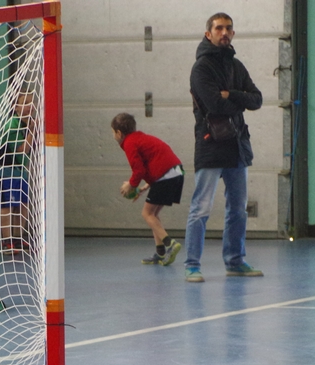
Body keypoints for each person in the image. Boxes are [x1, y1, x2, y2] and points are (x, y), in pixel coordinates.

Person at [182, 12, 263, 283]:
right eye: (218, 28)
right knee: (201, 208)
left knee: (238, 209)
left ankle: (235, 261)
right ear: (209, 34)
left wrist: (232, 95)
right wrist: (238, 100)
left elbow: (257, 99)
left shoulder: (236, 66)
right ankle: (192, 265)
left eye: (228, 28)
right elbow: (215, 105)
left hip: (237, 146)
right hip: (210, 146)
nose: (224, 32)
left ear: (233, 33)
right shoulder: (201, 68)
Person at [110, 113, 185, 266]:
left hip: (166, 176)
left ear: (119, 133)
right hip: (175, 172)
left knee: (147, 213)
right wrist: (144, 187)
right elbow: (155, 163)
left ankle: (170, 244)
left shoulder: (129, 143)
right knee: (153, 214)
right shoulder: (140, 138)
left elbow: (138, 170)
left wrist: (131, 185)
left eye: (113, 132)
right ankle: (160, 253)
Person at [0, 90, 36, 255]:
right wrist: (32, 132)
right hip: (5, 171)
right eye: (24, 103)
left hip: (20, 170)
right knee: (8, 206)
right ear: (15, 107)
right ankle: (7, 242)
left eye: (31, 102)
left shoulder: (30, 123)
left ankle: (18, 238)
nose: (29, 106)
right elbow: (21, 150)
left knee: (23, 204)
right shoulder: (12, 125)